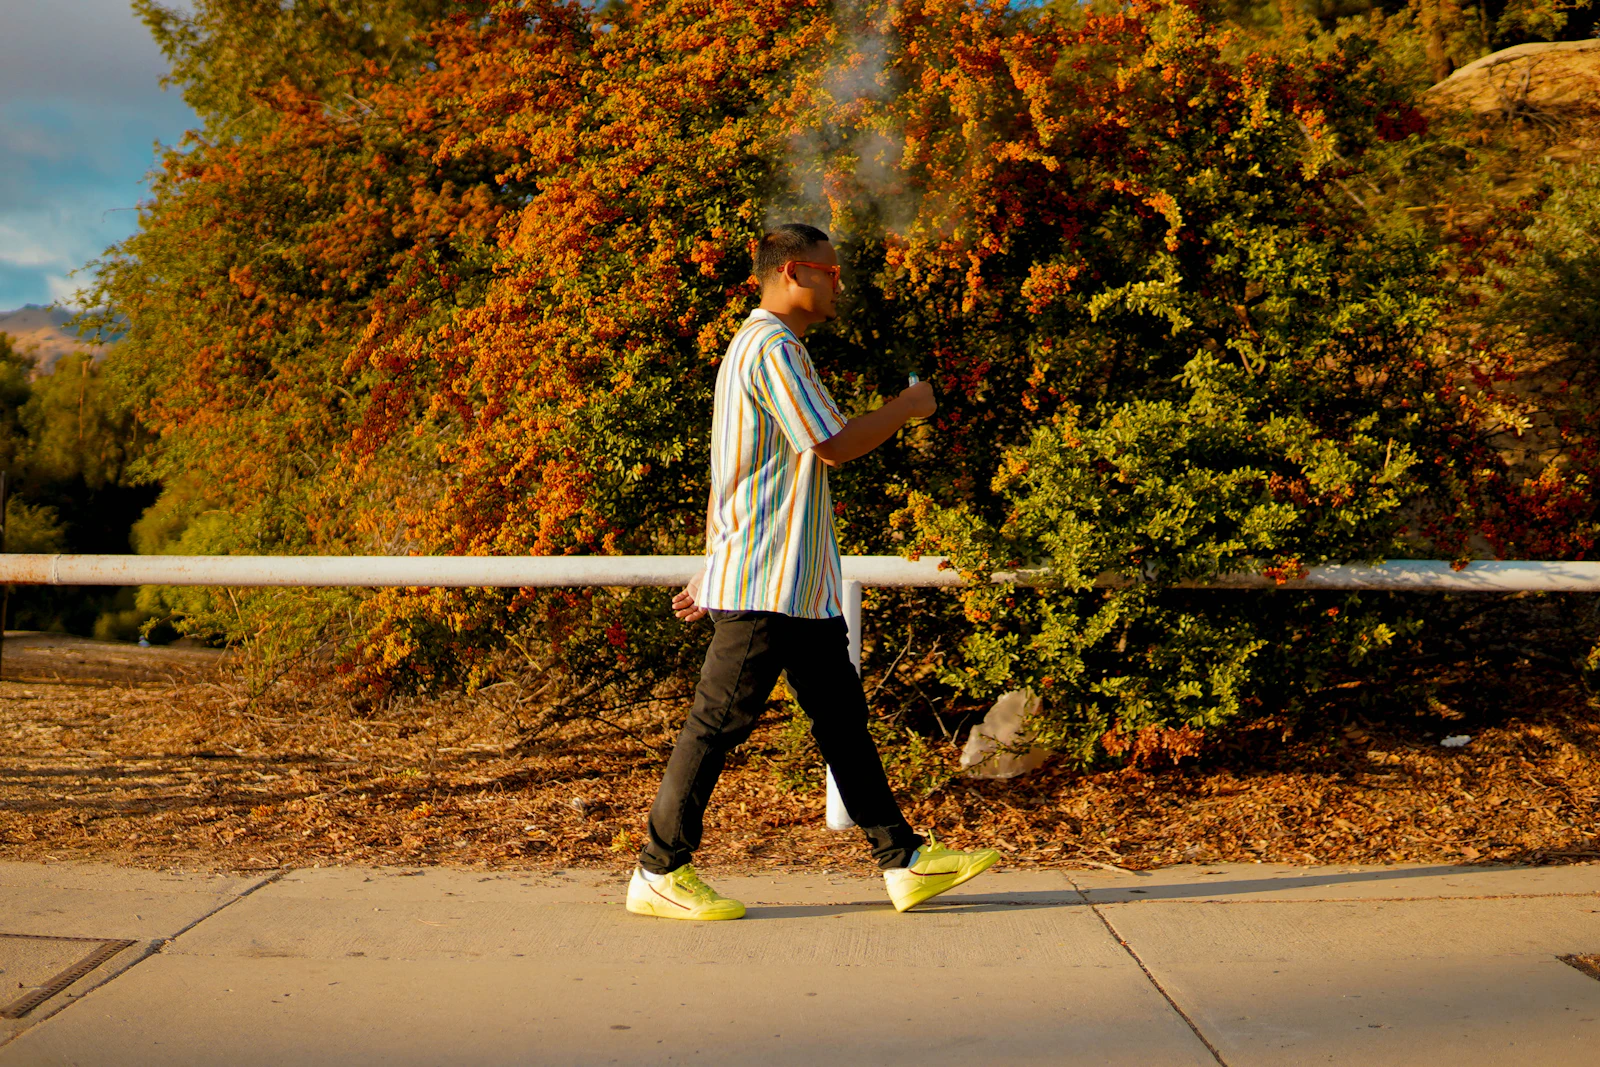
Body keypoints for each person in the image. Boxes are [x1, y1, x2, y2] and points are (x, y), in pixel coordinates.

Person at [626, 223, 999, 921]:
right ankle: (658, 868)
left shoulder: (771, 346)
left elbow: (737, 473)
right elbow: (832, 446)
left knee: (842, 722)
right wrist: (907, 408)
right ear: (795, 271)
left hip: (796, 583)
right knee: (716, 722)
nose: (839, 285)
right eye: (830, 272)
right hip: (768, 580)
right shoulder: (771, 346)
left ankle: (904, 859)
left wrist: (711, 567)